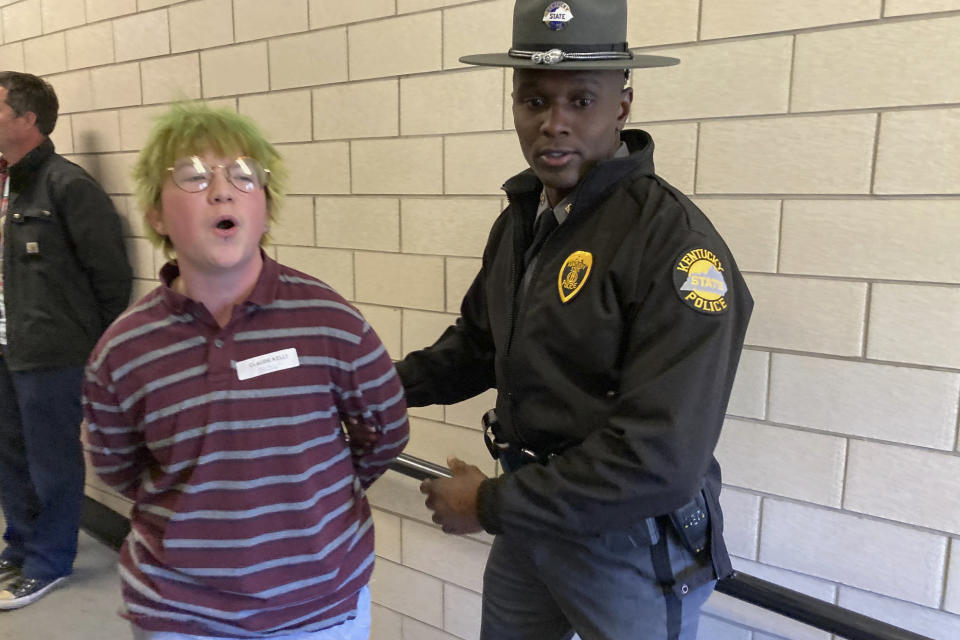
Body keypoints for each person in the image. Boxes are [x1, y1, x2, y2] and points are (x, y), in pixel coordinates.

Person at [397, 1, 754, 638]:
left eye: (580, 101)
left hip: (629, 548)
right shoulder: (522, 219)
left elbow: (659, 458)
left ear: (622, 105)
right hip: (531, 519)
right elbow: (480, 346)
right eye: (533, 102)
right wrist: (373, 388)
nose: (553, 125)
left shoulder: (675, 246)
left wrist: (485, 502)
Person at [82, 103, 409, 639]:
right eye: (191, 176)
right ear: (157, 215)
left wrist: (313, 497)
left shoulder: (329, 321)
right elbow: (119, 469)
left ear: (265, 205)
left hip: (320, 611)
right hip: (182, 616)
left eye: (243, 175)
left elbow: (386, 430)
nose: (221, 190)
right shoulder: (123, 350)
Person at [0, 71, 132, 609]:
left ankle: (50, 559)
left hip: (50, 353)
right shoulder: (8, 183)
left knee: (51, 459)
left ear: (27, 120)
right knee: (8, 454)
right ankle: (20, 544)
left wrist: (81, 341)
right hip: (3, 346)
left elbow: (112, 279)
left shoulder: (67, 186)